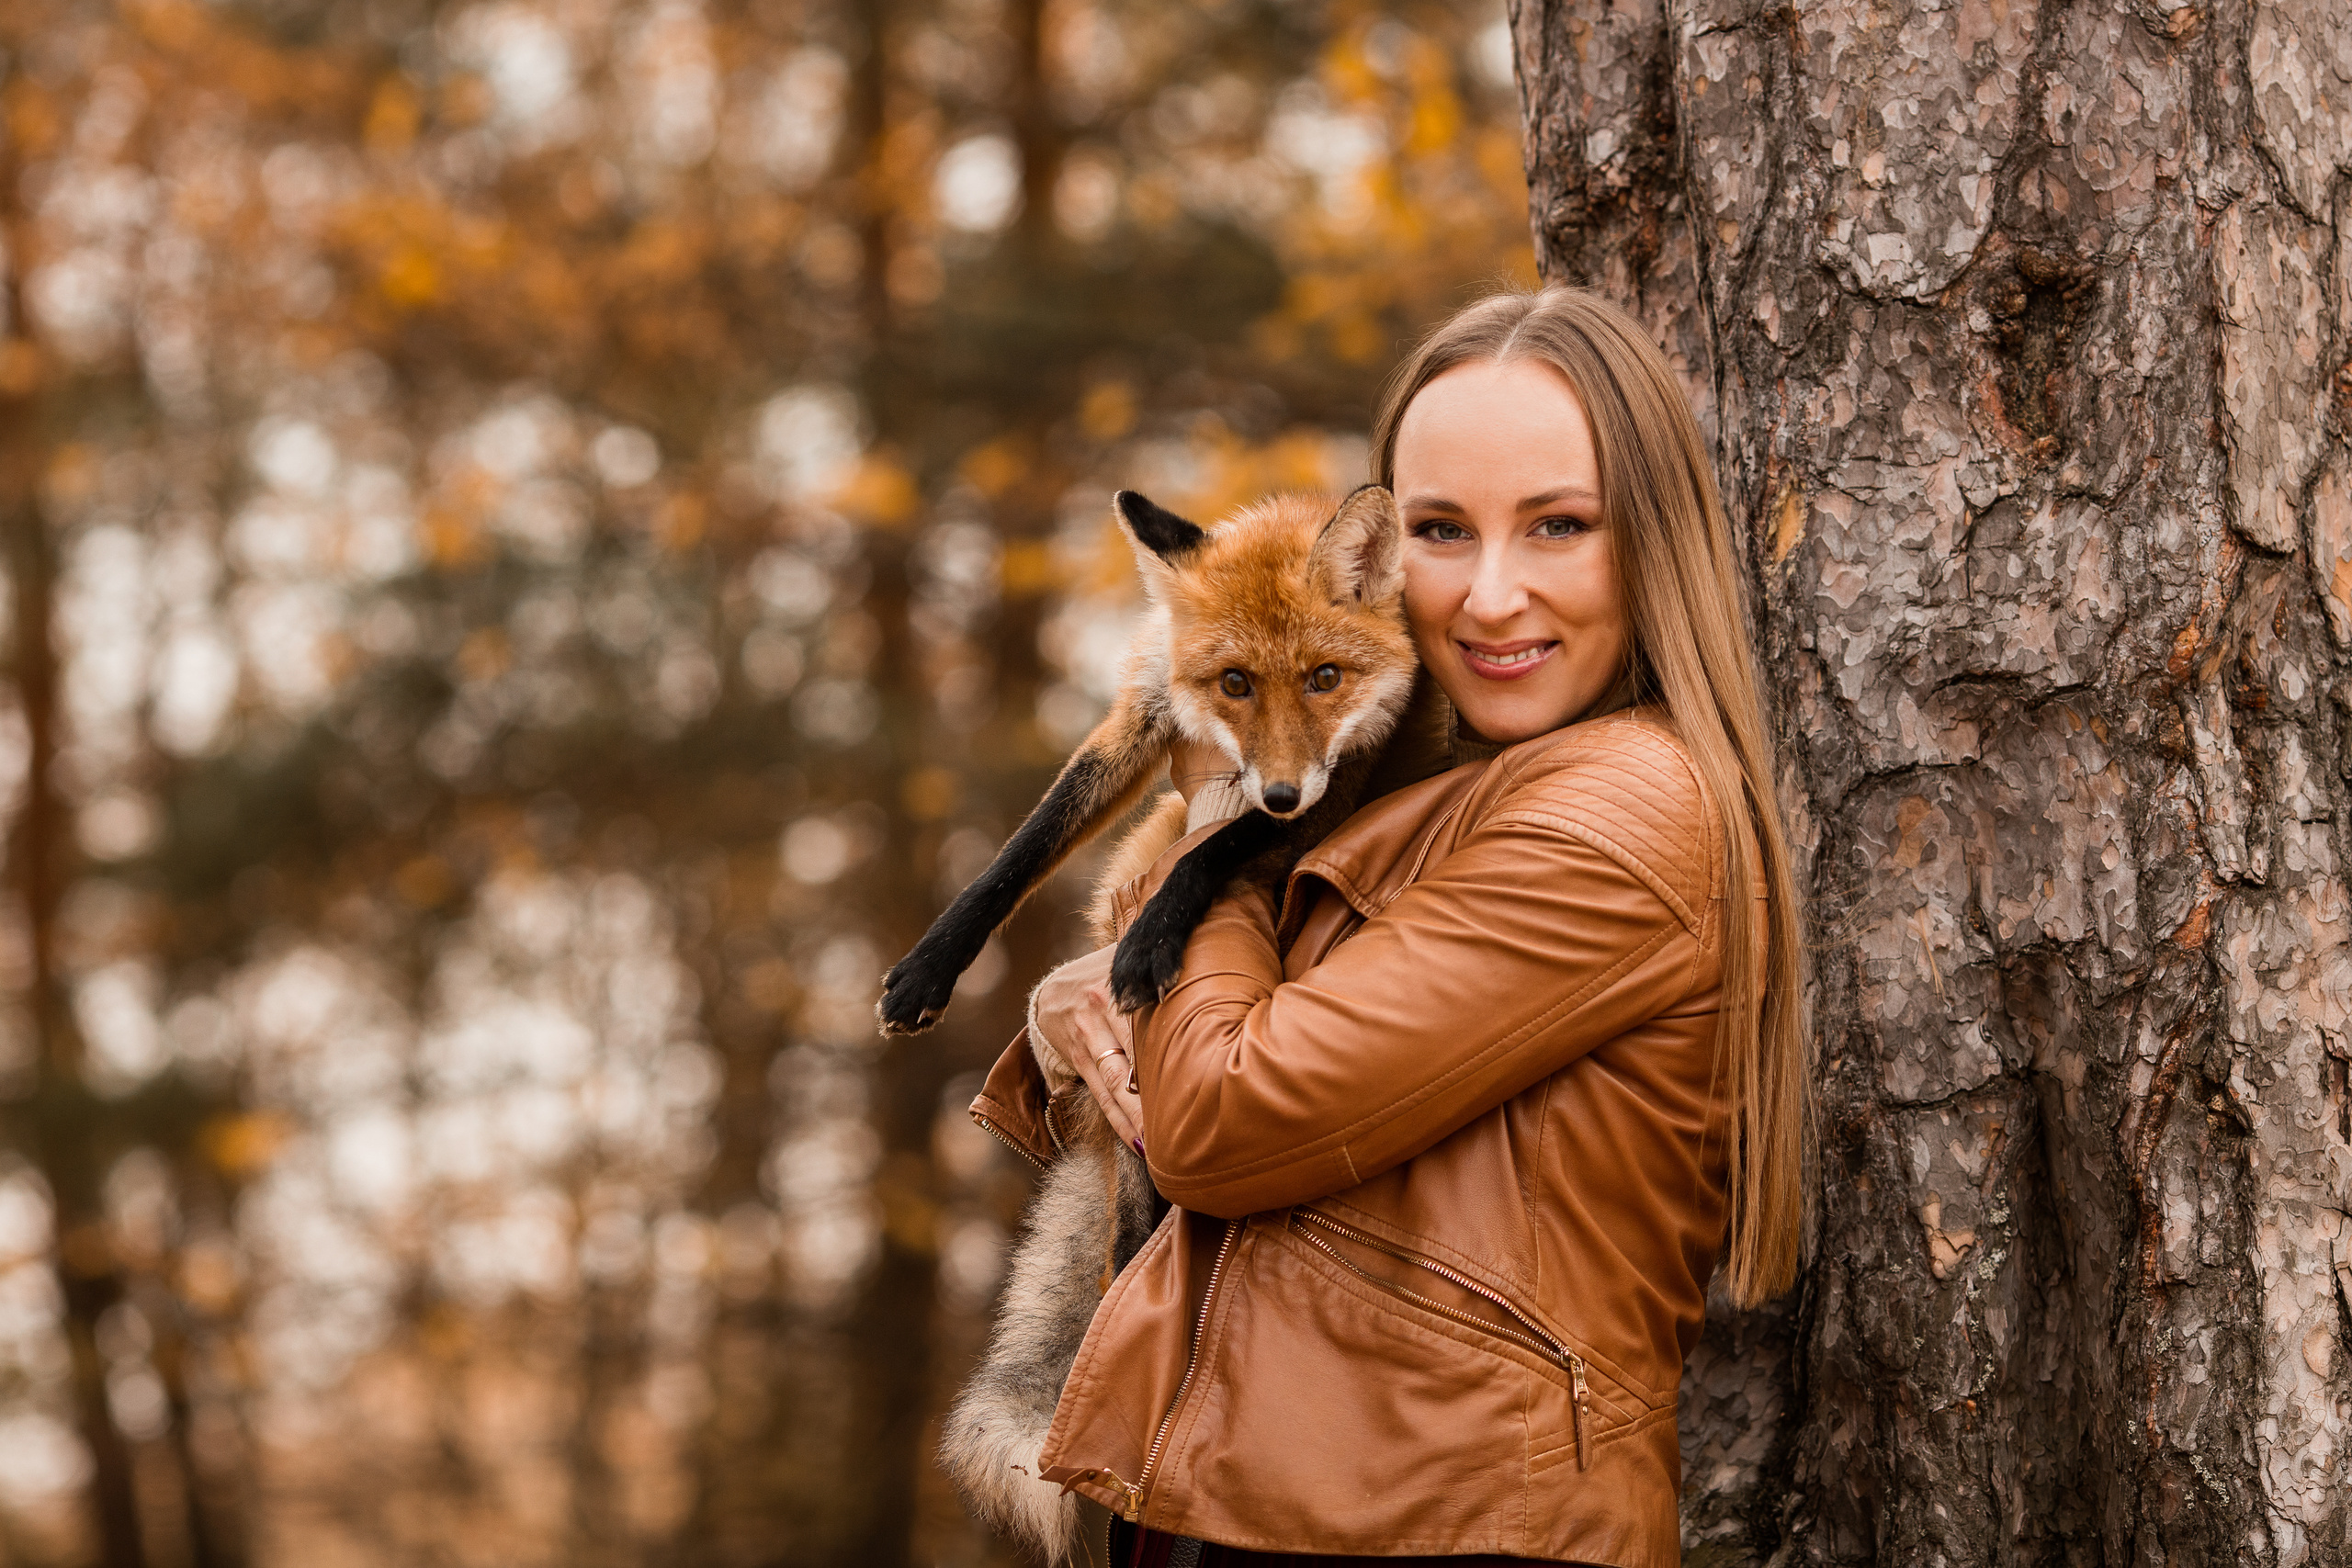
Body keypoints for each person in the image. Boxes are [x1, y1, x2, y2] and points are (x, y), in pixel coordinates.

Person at [967, 286, 1809, 1568]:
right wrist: (1072, 995)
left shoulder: (1618, 811)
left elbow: (1218, 1121)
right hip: (1293, 1503)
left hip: (1435, 1525)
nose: (1487, 596)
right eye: (1440, 530)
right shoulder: (1453, 792)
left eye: (1559, 526)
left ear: (1653, 539)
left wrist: (1216, 829)